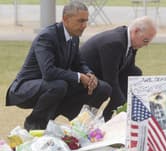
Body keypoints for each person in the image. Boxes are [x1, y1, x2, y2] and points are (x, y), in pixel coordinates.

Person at [5, 1, 112, 131]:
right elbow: (48, 72)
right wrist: (79, 77)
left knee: (103, 88)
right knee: (59, 85)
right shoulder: (47, 36)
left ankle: (81, 125)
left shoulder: (74, 36)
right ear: (66, 19)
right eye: (80, 21)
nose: (84, 26)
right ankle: (34, 125)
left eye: (86, 21)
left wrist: (89, 74)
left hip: (55, 86)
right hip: (26, 88)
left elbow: (79, 63)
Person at [80, 16, 157, 121]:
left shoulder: (130, 40)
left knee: (135, 73)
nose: (146, 45)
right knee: (109, 88)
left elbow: (128, 70)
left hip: (102, 74)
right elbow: (111, 80)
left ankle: (110, 116)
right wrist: (125, 107)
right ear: (136, 31)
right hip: (87, 76)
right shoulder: (115, 43)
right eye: (145, 40)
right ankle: (109, 118)